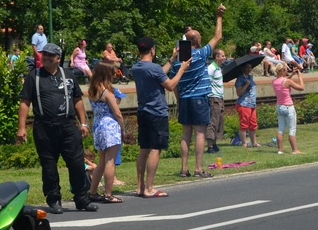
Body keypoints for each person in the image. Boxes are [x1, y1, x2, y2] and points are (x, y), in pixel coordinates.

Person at [16, 43, 98, 214]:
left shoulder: (68, 75)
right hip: (44, 127)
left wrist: (83, 123)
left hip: (67, 126)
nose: (45, 57)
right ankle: (54, 199)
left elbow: (77, 100)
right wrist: (22, 128)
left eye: (50, 55)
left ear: (58, 59)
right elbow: (25, 102)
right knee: (49, 166)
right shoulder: (34, 77)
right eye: (44, 54)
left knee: (76, 163)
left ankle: (82, 199)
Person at [172, 4, 226, 178]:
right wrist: (219, 16)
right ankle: (198, 169)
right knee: (200, 132)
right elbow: (218, 36)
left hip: (185, 98)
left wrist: (179, 100)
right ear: (196, 42)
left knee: (186, 133)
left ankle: (183, 168)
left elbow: (174, 83)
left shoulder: (179, 60)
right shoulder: (201, 54)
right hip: (199, 98)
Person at [131, 36, 189, 198]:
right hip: (156, 112)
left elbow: (158, 74)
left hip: (143, 111)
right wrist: (181, 70)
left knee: (144, 149)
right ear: (152, 50)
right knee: (155, 149)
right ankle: (149, 188)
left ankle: (140, 186)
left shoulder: (137, 67)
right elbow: (170, 85)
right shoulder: (154, 68)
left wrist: (171, 60)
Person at [86, 62, 125, 204]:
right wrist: (123, 129)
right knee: (110, 161)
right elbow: (117, 113)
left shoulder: (93, 91)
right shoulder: (107, 93)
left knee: (102, 162)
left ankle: (93, 191)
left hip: (98, 125)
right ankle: (108, 194)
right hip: (110, 126)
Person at [272, 62, 304, 154]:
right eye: (286, 70)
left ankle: (280, 150)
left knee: (281, 129)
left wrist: (292, 75)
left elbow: (284, 81)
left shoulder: (274, 81)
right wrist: (300, 77)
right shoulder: (287, 81)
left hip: (279, 106)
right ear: (282, 71)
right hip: (288, 107)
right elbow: (301, 88)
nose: (287, 72)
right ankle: (295, 150)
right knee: (292, 129)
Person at [234, 60, 260, 148]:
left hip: (252, 104)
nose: (249, 69)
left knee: (253, 124)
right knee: (244, 124)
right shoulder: (240, 79)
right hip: (244, 104)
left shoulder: (250, 77)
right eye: (247, 67)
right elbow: (239, 93)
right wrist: (246, 85)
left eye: (250, 67)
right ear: (243, 68)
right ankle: (244, 143)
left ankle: (254, 142)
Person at [206, 48, 226, 154]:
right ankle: (209, 146)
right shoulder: (212, 68)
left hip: (220, 97)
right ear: (217, 57)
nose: (224, 57)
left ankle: (214, 143)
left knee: (219, 121)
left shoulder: (218, 68)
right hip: (214, 97)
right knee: (213, 121)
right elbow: (207, 82)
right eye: (222, 56)